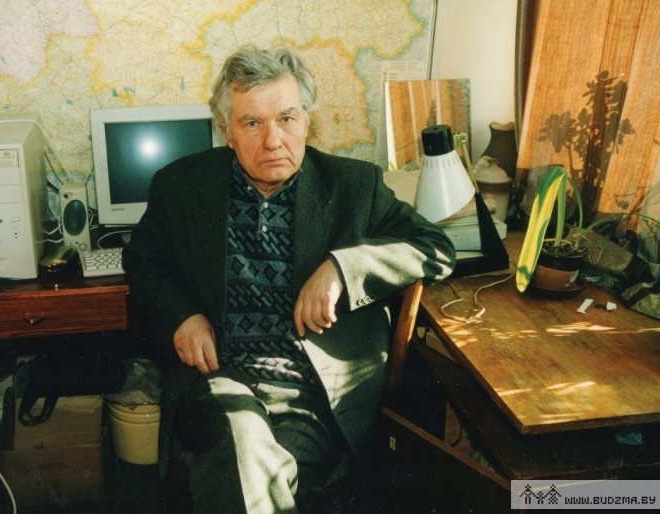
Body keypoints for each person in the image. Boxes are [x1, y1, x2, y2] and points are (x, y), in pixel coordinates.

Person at [122, 44, 456, 514]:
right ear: (227, 133)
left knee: (244, 478)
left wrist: (343, 268)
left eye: (286, 118)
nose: (273, 140)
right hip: (220, 382)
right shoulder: (182, 186)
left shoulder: (353, 187)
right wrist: (182, 316)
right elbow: (143, 259)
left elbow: (435, 247)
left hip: (312, 398)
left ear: (307, 121)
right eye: (252, 123)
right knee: (240, 442)